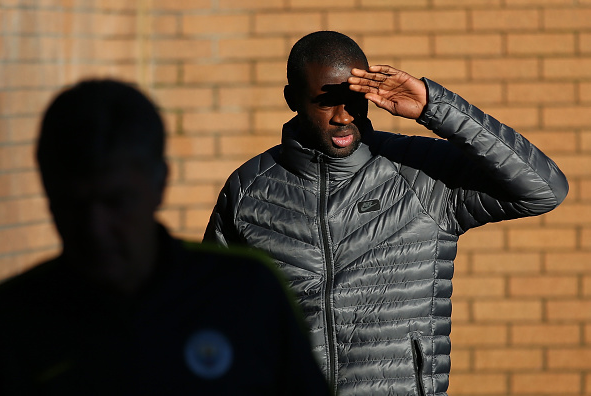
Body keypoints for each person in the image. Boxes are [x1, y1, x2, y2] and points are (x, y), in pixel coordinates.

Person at [204, 31, 569, 396]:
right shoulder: (249, 190)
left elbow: (543, 190)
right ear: (292, 99)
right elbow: (211, 314)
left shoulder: (419, 173)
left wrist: (435, 107)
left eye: (354, 99)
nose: (344, 117)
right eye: (325, 103)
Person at [0, 79, 330, 396]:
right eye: (73, 204)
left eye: (117, 202)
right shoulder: (14, 321)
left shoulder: (245, 292)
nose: (95, 228)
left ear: (159, 184)